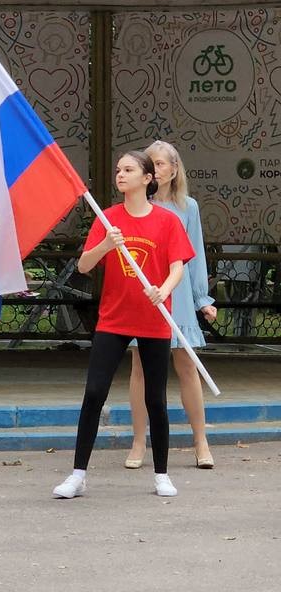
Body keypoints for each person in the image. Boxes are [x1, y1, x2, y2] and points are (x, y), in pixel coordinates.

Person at [53, 151, 194, 500]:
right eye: (118, 169)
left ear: (148, 179)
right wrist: (105, 243)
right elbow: (85, 265)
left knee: (155, 399)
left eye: (128, 170)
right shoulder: (108, 218)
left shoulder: (167, 222)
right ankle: (78, 474)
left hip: (153, 319)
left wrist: (163, 289)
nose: (120, 175)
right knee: (95, 392)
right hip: (114, 319)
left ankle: (161, 474)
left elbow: (178, 266)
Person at [125, 141, 218, 470]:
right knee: (140, 370)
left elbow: (194, 257)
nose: (156, 169)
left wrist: (201, 299)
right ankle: (138, 442)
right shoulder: (135, 205)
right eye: (151, 164)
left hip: (176, 296)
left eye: (162, 164)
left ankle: (200, 441)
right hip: (146, 296)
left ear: (174, 170)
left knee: (187, 366)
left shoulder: (187, 207)